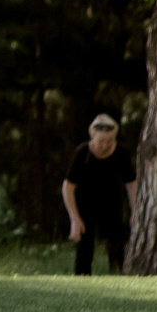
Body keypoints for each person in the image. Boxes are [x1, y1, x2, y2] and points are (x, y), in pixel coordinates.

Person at [63, 112, 138, 274]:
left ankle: (124, 277)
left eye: (109, 141)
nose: (104, 146)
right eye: (100, 141)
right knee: (84, 249)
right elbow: (68, 187)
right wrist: (74, 219)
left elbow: (131, 183)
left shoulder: (120, 154)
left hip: (111, 203)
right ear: (93, 137)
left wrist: (135, 212)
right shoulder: (83, 153)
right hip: (85, 204)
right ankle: (82, 287)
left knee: (119, 244)